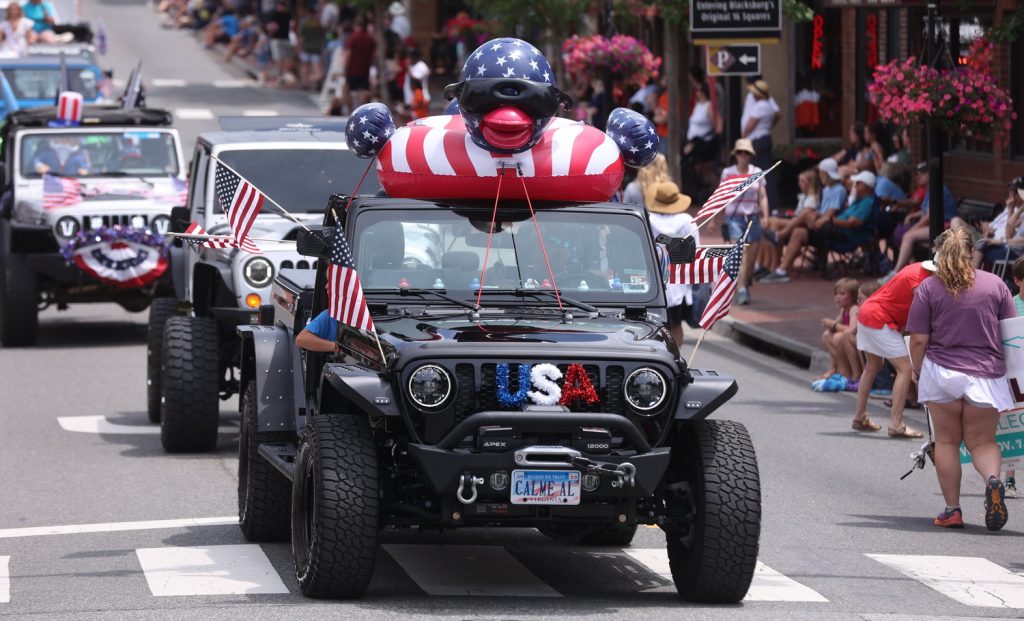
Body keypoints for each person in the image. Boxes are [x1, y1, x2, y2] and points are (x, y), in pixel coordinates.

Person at [907, 227, 1014, 530]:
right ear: (971, 252)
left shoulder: (929, 288)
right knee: (982, 442)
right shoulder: (995, 285)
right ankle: (993, 481)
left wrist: (916, 369)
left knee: (947, 442)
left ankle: (952, 510)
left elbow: (917, 339)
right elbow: (1011, 334)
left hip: (942, 372)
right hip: (986, 374)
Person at [851, 261, 935, 437]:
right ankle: (896, 424)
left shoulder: (918, 268)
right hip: (880, 317)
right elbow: (923, 314)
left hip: (868, 311)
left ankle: (859, 416)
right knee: (905, 369)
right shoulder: (921, 282)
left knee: (873, 365)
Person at [762, 169, 875, 283]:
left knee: (806, 214)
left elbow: (852, 223)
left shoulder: (867, 202)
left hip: (842, 234)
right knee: (799, 231)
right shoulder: (858, 201)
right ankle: (780, 270)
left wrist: (828, 219)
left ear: (867, 186)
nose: (855, 186)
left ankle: (779, 236)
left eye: (858, 183)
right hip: (832, 228)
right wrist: (821, 215)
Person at [880, 163, 958, 283]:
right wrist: (913, 215)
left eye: (922, 173)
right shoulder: (929, 189)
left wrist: (913, 229)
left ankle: (896, 273)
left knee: (908, 236)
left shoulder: (937, 189)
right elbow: (925, 211)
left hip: (945, 226)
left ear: (931, 174)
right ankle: (913, 275)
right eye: (917, 173)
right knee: (906, 235)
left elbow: (930, 216)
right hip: (936, 224)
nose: (918, 176)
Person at [645, 181, 697, 349]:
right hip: (679, 280)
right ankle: (676, 359)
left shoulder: (648, 219)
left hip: (654, 279)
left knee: (654, 324)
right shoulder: (687, 221)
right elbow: (696, 250)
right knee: (675, 325)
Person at [720, 139, 768, 305]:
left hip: (753, 218)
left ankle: (744, 282)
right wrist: (713, 220)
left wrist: (766, 216)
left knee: (752, 258)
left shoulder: (757, 172)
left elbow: (762, 196)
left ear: (750, 155)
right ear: (735, 154)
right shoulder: (728, 173)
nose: (743, 156)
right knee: (741, 255)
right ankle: (741, 290)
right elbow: (720, 197)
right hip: (735, 218)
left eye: (746, 153)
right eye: (740, 152)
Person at [741, 79, 777, 213]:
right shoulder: (768, 105)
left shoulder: (760, 105)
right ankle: (770, 204)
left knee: (753, 172)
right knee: (766, 172)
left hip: (758, 141)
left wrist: (743, 137)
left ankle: (756, 204)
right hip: (764, 139)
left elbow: (750, 125)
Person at [820, 277, 862, 382]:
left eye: (842, 294)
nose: (838, 297)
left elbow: (852, 330)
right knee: (827, 335)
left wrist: (834, 325)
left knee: (839, 336)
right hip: (848, 342)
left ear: (853, 296)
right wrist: (830, 325)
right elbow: (837, 323)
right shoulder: (844, 309)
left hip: (857, 343)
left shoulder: (854, 309)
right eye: (836, 294)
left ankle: (851, 372)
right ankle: (833, 369)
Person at [342, 17, 376, 110]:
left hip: (352, 68)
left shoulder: (353, 37)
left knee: (347, 89)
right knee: (363, 91)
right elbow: (373, 54)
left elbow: (348, 53)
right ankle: (363, 110)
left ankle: (350, 111)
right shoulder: (369, 38)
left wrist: (345, 67)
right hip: (365, 69)